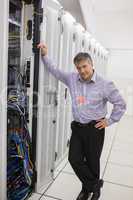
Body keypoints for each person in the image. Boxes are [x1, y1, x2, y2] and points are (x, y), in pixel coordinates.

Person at [37, 43, 126, 200]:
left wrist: (110, 120)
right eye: (79, 68)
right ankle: (95, 185)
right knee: (74, 159)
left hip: (95, 128)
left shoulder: (105, 84)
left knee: (92, 160)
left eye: (85, 66)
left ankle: (87, 190)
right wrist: (44, 55)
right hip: (78, 128)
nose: (82, 71)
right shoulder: (72, 78)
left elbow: (121, 104)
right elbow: (56, 71)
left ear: (92, 64)